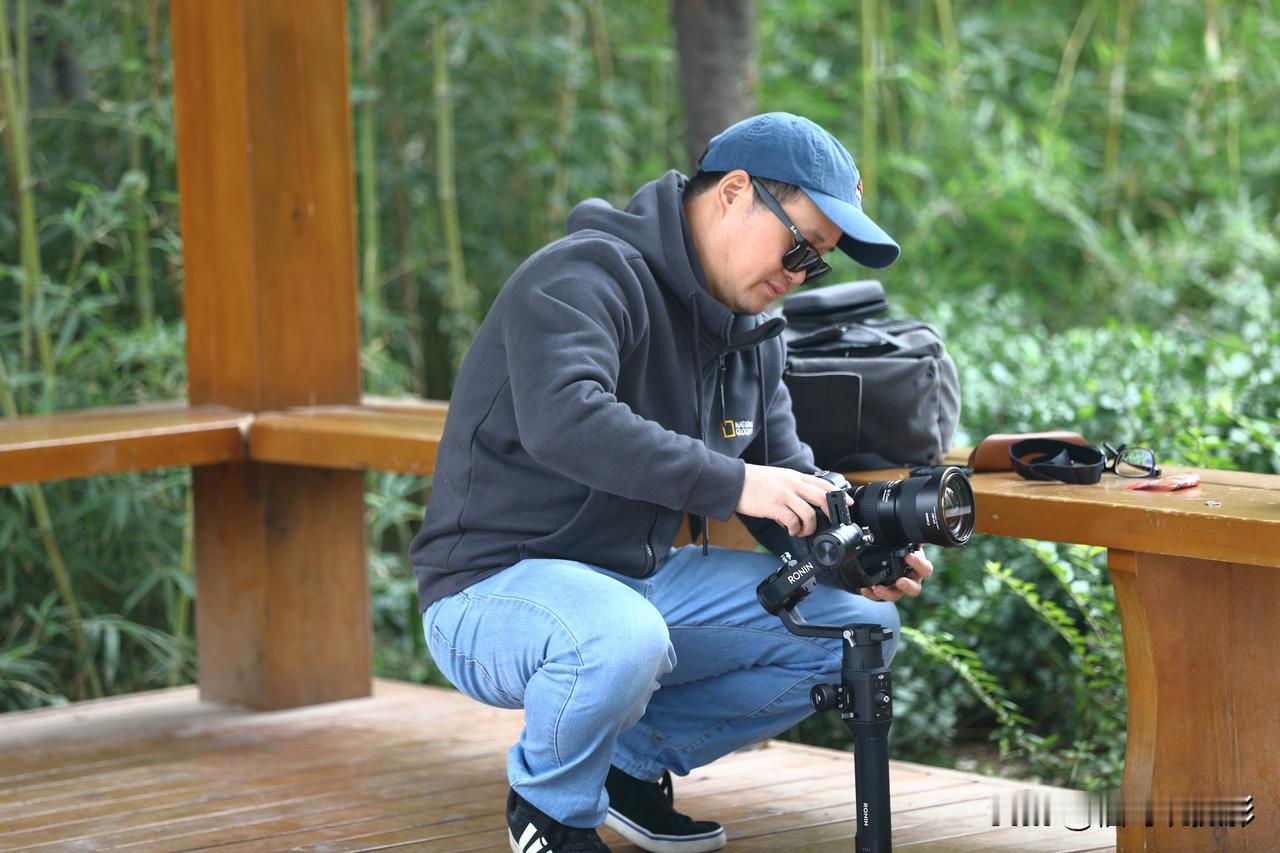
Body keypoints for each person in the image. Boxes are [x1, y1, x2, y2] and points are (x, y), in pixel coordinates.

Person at [409, 112, 933, 853]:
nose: (799, 274)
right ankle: (550, 810)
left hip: (636, 582)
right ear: (734, 193)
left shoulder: (751, 336)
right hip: (493, 585)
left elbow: (784, 479)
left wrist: (859, 549)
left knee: (857, 628)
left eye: (818, 264)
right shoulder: (580, 277)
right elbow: (565, 420)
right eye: (799, 247)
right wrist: (733, 482)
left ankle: (626, 764)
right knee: (620, 636)